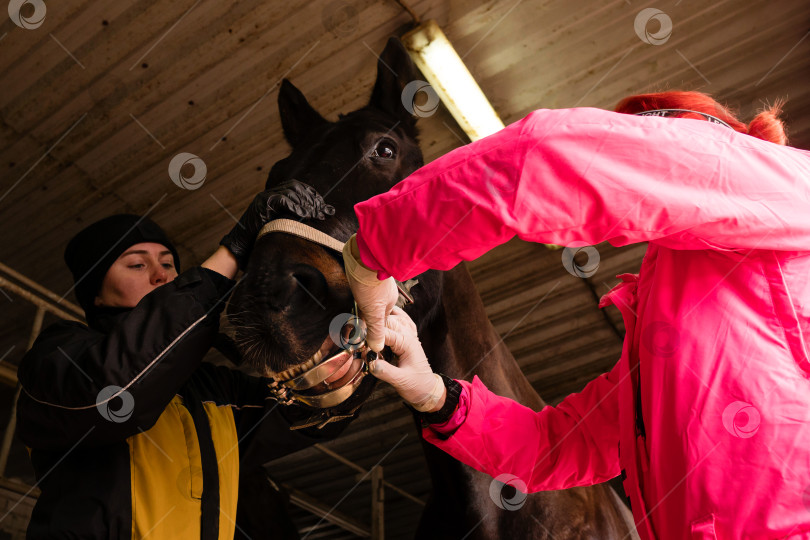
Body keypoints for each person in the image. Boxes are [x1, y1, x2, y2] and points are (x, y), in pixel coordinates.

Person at [341, 91, 810, 539]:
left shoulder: (775, 179)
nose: (635, 153)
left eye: (642, 136)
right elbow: (555, 446)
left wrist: (376, 249)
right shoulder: (663, 353)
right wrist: (437, 399)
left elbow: (545, 155)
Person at [16, 181, 348, 539]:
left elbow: (309, 410)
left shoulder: (217, 388)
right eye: (137, 265)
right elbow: (117, 390)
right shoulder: (57, 356)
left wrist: (360, 339)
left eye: (169, 263)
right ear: (96, 293)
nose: (161, 274)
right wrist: (233, 250)